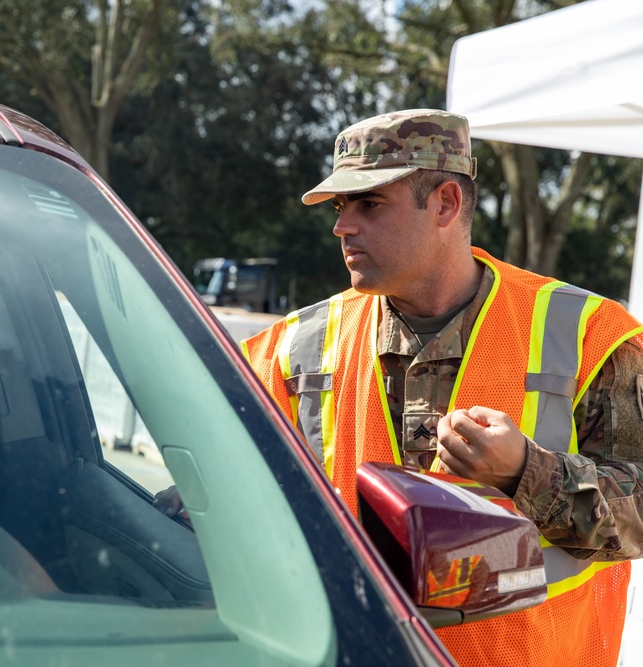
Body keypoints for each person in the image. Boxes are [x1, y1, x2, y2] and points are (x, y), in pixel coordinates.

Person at [158, 109, 643, 667]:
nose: (342, 226)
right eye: (341, 208)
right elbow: (201, 499)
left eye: (369, 204)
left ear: (445, 204)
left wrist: (524, 471)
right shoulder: (292, 349)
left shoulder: (585, 335)